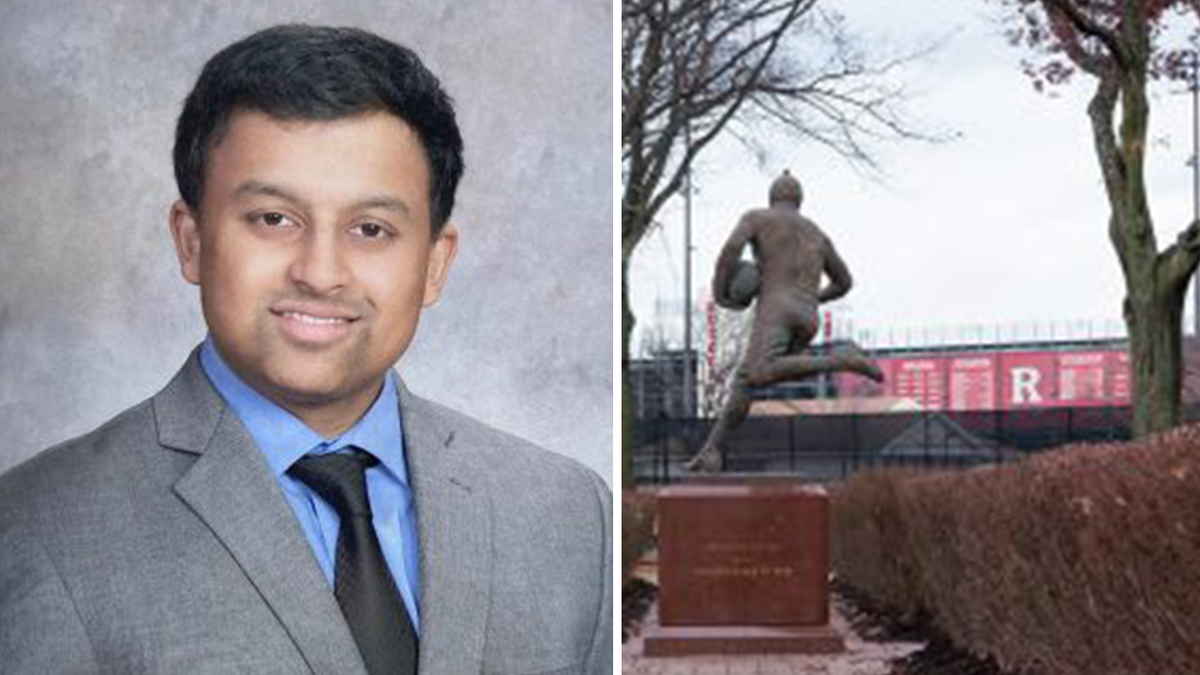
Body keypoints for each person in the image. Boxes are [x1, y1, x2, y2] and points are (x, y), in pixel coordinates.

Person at [0, 25, 611, 675]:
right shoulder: (38, 531)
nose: (321, 272)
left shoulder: (571, 515)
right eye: (273, 219)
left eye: (371, 228)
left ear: (435, 264)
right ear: (192, 240)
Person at [687, 170, 883, 473]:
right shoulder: (817, 234)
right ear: (799, 201)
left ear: (772, 197)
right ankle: (711, 451)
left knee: (760, 371)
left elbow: (730, 251)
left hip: (775, 309)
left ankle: (840, 360)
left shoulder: (757, 218)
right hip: (808, 316)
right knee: (746, 381)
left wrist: (720, 292)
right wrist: (812, 298)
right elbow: (844, 282)